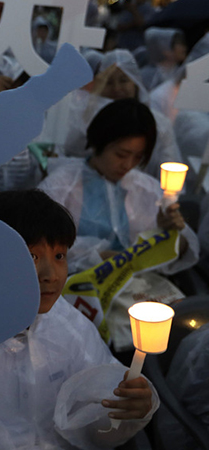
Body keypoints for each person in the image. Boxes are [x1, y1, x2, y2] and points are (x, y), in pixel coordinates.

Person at [0, 189, 159, 448]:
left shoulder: (68, 325)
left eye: (59, 256)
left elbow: (93, 430)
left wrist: (127, 412)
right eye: (31, 256)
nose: (51, 274)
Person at [39, 99, 200, 352]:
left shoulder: (146, 190)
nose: (127, 165)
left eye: (137, 157)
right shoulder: (61, 187)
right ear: (97, 143)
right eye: (121, 154)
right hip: (77, 292)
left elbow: (177, 256)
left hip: (135, 291)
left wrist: (169, 232)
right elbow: (42, 246)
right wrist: (97, 256)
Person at [60, 49, 183, 178]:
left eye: (124, 80)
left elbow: (171, 167)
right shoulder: (85, 115)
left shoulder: (160, 123)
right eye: (108, 82)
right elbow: (72, 150)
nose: (117, 88)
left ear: (135, 83)